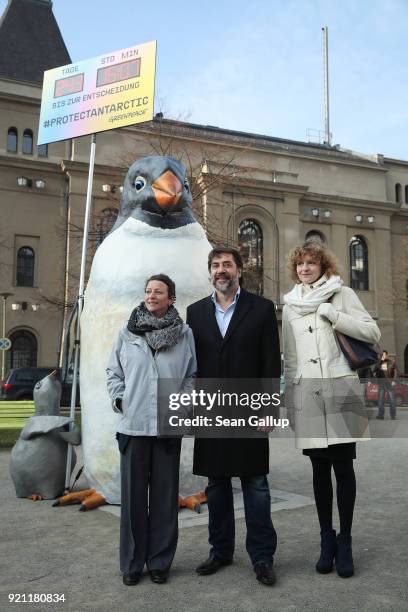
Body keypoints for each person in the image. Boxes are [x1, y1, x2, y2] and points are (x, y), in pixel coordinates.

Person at [283, 241, 381, 578]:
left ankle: (346, 540)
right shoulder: (291, 305)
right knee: (319, 470)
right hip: (308, 393)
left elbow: (372, 332)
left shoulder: (342, 294)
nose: (305, 268)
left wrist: (334, 316)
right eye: (301, 264)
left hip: (340, 388)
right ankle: (327, 539)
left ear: (324, 266)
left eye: (312, 263)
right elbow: (291, 358)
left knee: (343, 467)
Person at [186, 246, 281, 586]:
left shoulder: (262, 309)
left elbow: (272, 362)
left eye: (227, 264)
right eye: (215, 265)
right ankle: (220, 551)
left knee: (256, 484)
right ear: (210, 272)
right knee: (216, 483)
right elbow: (191, 366)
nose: (221, 270)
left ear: (240, 270)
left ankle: (262, 557)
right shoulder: (194, 312)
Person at [106, 274, 196, 586]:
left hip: (167, 428)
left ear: (171, 298)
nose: (151, 295)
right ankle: (132, 563)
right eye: (148, 290)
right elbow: (113, 371)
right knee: (132, 500)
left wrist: (184, 405)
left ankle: (159, 561)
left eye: (159, 291)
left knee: (163, 497)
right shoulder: (127, 332)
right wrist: (120, 400)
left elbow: (191, 375)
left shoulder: (184, 334)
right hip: (133, 427)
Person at [374, 350, 397, 420]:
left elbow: (395, 372)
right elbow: (375, 371)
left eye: (384, 355)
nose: (383, 356)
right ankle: (381, 415)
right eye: (382, 355)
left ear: (387, 355)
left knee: (392, 400)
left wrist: (394, 381)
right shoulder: (378, 363)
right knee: (381, 400)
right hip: (381, 383)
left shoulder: (391, 362)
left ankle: (393, 416)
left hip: (389, 383)